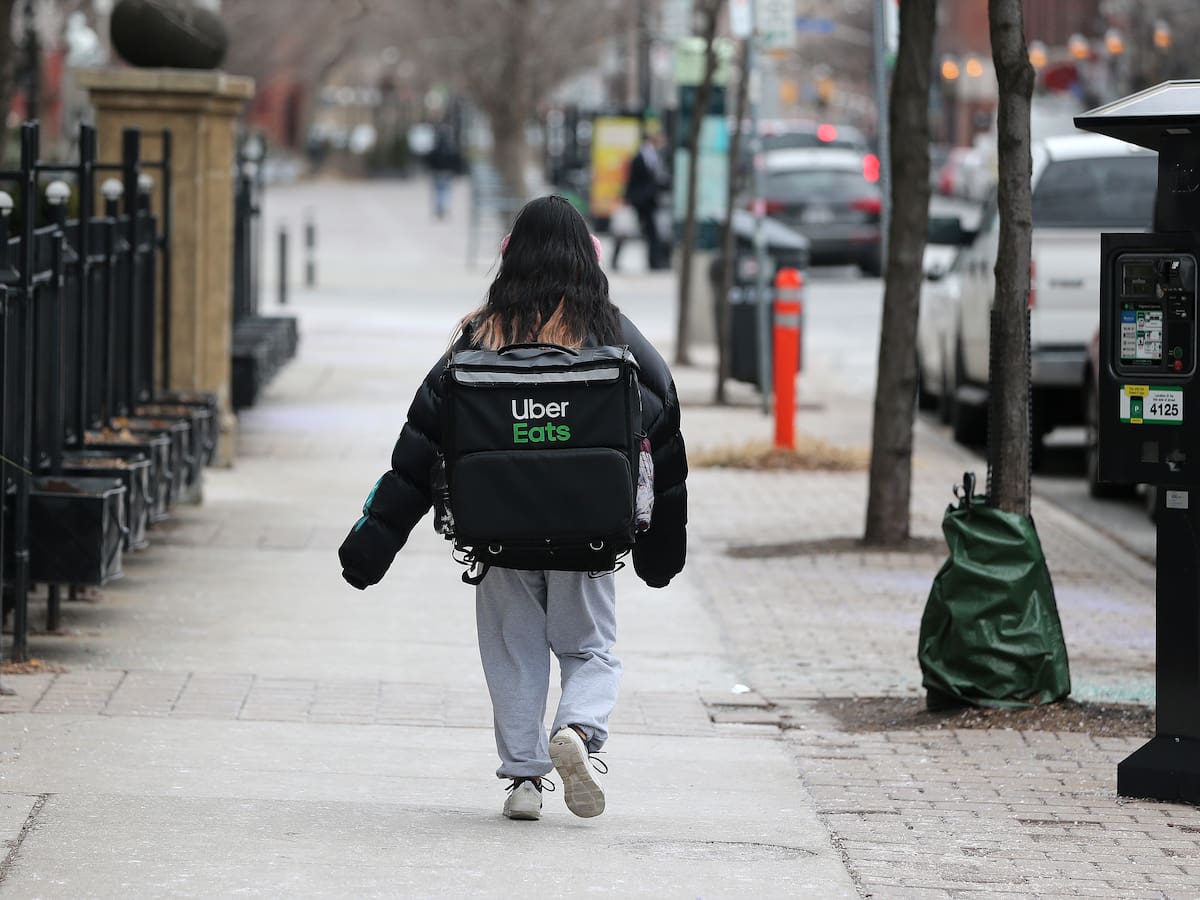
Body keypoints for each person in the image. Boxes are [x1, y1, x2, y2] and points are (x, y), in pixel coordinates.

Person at [338, 195, 688, 821]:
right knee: (591, 649)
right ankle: (577, 732)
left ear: (508, 260)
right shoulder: (611, 332)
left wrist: (371, 544)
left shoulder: (481, 334)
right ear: (591, 260)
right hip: (589, 537)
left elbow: (419, 446)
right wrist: (661, 551)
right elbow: (665, 432)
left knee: (513, 654)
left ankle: (525, 781)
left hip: (498, 538)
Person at [623, 129, 671, 270]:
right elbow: (637, 179)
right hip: (642, 201)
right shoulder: (644, 156)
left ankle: (654, 261)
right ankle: (654, 262)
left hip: (647, 201)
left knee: (651, 233)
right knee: (643, 232)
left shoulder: (651, 156)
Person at [426, 126, 462, 220]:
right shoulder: (450, 148)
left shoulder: (436, 148)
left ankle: (440, 207)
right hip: (447, 172)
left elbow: (430, 160)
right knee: (446, 191)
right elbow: (456, 160)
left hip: (437, 172)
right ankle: (443, 207)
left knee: (439, 191)